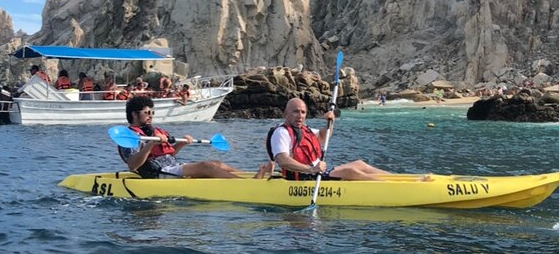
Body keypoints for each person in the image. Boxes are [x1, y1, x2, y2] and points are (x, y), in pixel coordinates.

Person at [118, 96, 265, 178]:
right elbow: (133, 165)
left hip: (171, 168)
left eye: (152, 113)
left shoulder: (154, 131)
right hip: (157, 174)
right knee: (206, 166)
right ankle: (247, 185)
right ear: (134, 114)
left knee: (217, 164)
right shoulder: (130, 136)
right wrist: (150, 144)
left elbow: (168, 153)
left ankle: (248, 177)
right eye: (147, 113)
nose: (150, 116)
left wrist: (182, 144)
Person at [267, 98, 392, 181]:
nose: (300, 116)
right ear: (286, 113)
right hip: (302, 177)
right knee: (350, 171)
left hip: (317, 172)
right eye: (295, 112)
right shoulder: (281, 133)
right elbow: (283, 161)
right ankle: (389, 187)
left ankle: (397, 179)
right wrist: (310, 169)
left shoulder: (305, 129)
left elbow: (323, 136)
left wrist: (330, 122)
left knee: (360, 164)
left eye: (303, 112)